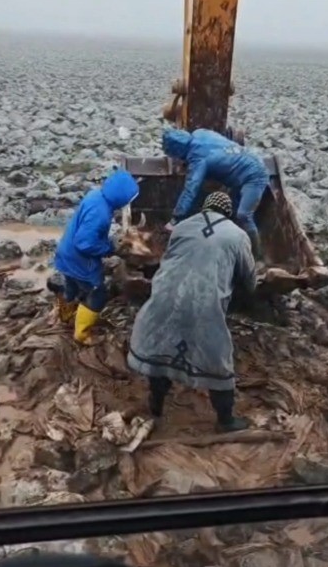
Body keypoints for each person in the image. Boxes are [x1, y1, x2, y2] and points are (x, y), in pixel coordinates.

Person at [127, 191, 257, 432]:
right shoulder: (238, 236)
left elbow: (171, 257)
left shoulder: (183, 226)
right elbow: (249, 279)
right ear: (228, 213)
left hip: (166, 295)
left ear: (205, 208)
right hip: (204, 303)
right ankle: (226, 421)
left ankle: (156, 406)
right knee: (216, 358)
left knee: (162, 349)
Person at [54, 168, 139, 345]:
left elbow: (83, 234)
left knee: (71, 287)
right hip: (80, 260)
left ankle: (66, 316)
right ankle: (82, 334)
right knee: (97, 293)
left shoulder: (95, 196)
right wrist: (110, 246)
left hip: (66, 251)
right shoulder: (101, 213)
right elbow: (85, 243)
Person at [162, 127, 269, 260]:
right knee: (231, 212)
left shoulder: (198, 159)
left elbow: (191, 189)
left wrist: (176, 219)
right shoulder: (200, 133)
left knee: (243, 214)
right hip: (246, 162)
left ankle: (257, 258)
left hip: (255, 175)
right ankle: (235, 247)